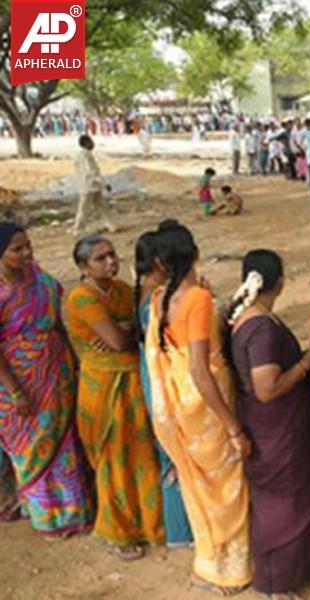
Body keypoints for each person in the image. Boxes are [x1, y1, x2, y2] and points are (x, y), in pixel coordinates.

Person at [144, 224, 252, 596]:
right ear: (197, 253)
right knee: (227, 489)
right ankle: (230, 569)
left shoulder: (160, 297)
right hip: (206, 407)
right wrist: (234, 427)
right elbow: (199, 369)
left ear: (160, 262)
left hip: (181, 406)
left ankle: (206, 565)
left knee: (200, 490)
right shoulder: (197, 299)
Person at [226, 250, 310, 599]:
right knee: (285, 504)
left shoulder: (247, 317)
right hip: (276, 425)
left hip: (277, 424)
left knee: (292, 499)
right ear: (279, 282)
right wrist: (307, 362)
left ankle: (295, 571)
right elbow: (267, 389)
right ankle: (276, 581)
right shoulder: (261, 329)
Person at [66, 236, 164, 560]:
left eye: (112, 255)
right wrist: (122, 330)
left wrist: (122, 328)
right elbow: (121, 340)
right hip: (104, 388)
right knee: (114, 461)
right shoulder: (82, 299)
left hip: (133, 380)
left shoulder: (121, 289)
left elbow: (137, 328)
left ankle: (149, 524)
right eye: (100, 258)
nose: (111, 261)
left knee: (142, 454)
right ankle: (116, 531)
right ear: (83, 267)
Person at [0, 223, 94, 538]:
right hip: (18, 381)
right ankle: (45, 516)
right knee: (29, 446)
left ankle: (73, 512)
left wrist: (74, 359)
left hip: (57, 371)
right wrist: (15, 391)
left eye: (28, 246)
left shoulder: (39, 278)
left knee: (64, 443)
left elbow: (57, 324)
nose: (27, 253)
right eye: (17, 249)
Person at [134, 226, 192, 548]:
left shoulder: (148, 293)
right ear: (159, 262)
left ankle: (179, 528)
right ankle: (181, 530)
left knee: (171, 454)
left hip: (153, 377)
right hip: (162, 382)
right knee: (175, 456)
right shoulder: (157, 300)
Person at [72, 134, 115, 235]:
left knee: (102, 207)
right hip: (88, 186)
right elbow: (91, 172)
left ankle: (111, 225)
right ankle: (78, 229)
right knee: (84, 209)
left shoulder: (86, 155)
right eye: (91, 141)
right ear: (86, 143)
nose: (93, 143)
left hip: (94, 186)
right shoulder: (84, 156)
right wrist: (104, 183)